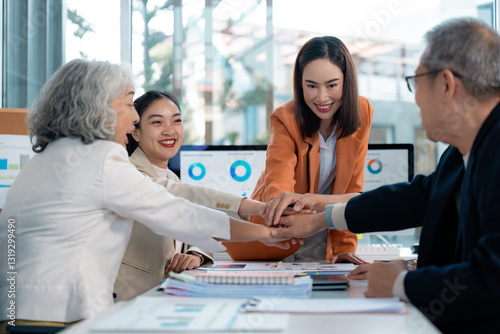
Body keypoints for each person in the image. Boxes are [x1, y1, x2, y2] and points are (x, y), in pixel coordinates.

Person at [0, 59, 289, 328]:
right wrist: (265, 234)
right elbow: (177, 213)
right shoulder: (101, 157)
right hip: (56, 315)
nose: (134, 116)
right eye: (128, 103)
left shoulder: (46, 158)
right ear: (100, 107)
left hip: (15, 312)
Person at [266, 18, 500, 333]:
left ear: (446, 84)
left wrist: (403, 282)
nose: (414, 98)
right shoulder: (460, 155)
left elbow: (492, 280)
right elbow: (417, 198)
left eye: (415, 81)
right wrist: (324, 215)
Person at [114, 90, 276, 301]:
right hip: (128, 300)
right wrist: (257, 208)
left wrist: (195, 254)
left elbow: (189, 228)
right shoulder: (128, 172)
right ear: (136, 133)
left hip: (163, 297)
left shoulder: (172, 176)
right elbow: (185, 199)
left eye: (177, 121)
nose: (170, 131)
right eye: (157, 123)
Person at [224, 36, 373, 263]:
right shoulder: (285, 118)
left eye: (332, 85)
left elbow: (353, 187)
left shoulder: (362, 111)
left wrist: (344, 247)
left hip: (327, 237)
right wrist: (292, 207)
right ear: (300, 82)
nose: (322, 97)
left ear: (347, 81)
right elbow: (278, 186)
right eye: (311, 86)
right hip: (280, 236)